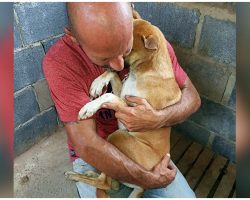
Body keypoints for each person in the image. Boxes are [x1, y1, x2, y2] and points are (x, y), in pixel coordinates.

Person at [43, 2, 200, 198]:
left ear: (131, 15)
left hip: (144, 147)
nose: (118, 66)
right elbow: (86, 144)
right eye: (104, 59)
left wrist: (158, 118)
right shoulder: (60, 62)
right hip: (98, 152)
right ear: (73, 36)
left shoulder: (148, 38)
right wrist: (146, 179)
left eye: (126, 50)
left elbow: (193, 98)